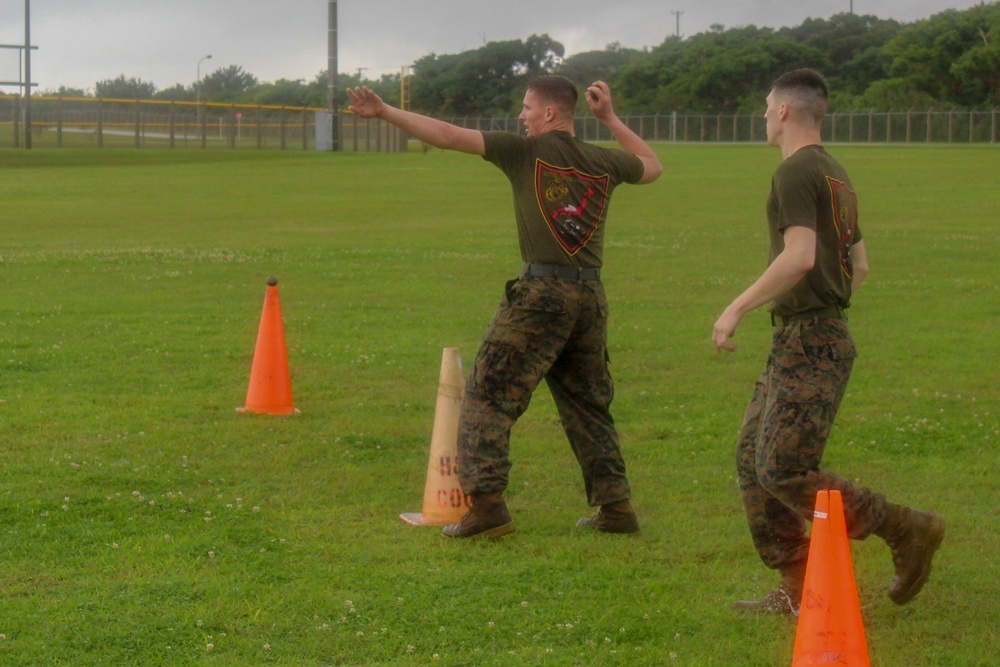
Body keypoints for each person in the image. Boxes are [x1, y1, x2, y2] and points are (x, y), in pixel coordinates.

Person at [348, 76, 662, 539]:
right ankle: (617, 509)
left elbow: (450, 136)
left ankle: (488, 507)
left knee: (487, 394)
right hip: (589, 299)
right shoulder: (603, 162)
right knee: (588, 405)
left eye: (527, 108)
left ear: (550, 114)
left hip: (541, 295)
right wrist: (610, 119)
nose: (521, 116)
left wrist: (387, 112)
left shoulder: (524, 152)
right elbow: (652, 165)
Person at [712, 69, 945, 615]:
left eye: (768, 106)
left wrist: (737, 307)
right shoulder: (835, 173)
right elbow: (859, 264)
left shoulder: (794, 171)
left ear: (787, 111)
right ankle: (796, 591)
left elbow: (800, 256)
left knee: (782, 469)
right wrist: (826, 307)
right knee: (752, 458)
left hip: (811, 338)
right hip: (809, 332)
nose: (764, 115)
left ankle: (907, 528)